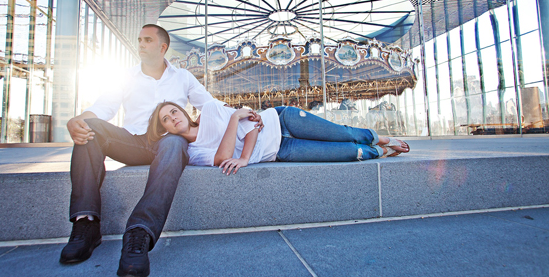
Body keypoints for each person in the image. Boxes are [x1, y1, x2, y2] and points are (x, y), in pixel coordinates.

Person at [60, 24, 261, 277]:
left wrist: (245, 115)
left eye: (147, 40)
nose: (140, 44)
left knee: (175, 143)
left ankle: (139, 234)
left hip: (168, 142)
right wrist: (77, 119)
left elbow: (209, 104)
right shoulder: (127, 76)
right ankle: (86, 224)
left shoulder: (183, 77)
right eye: (139, 40)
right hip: (132, 141)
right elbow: (104, 107)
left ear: (162, 47)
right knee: (88, 128)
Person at [147, 100, 410, 175]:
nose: (173, 118)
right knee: (348, 153)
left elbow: (251, 124)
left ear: (182, 110)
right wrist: (234, 119)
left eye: (173, 111)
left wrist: (245, 157)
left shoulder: (211, 110)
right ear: (165, 130)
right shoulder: (192, 153)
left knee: (342, 133)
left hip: (281, 120)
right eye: (166, 120)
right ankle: (381, 152)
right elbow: (224, 158)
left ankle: (380, 139)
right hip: (280, 151)